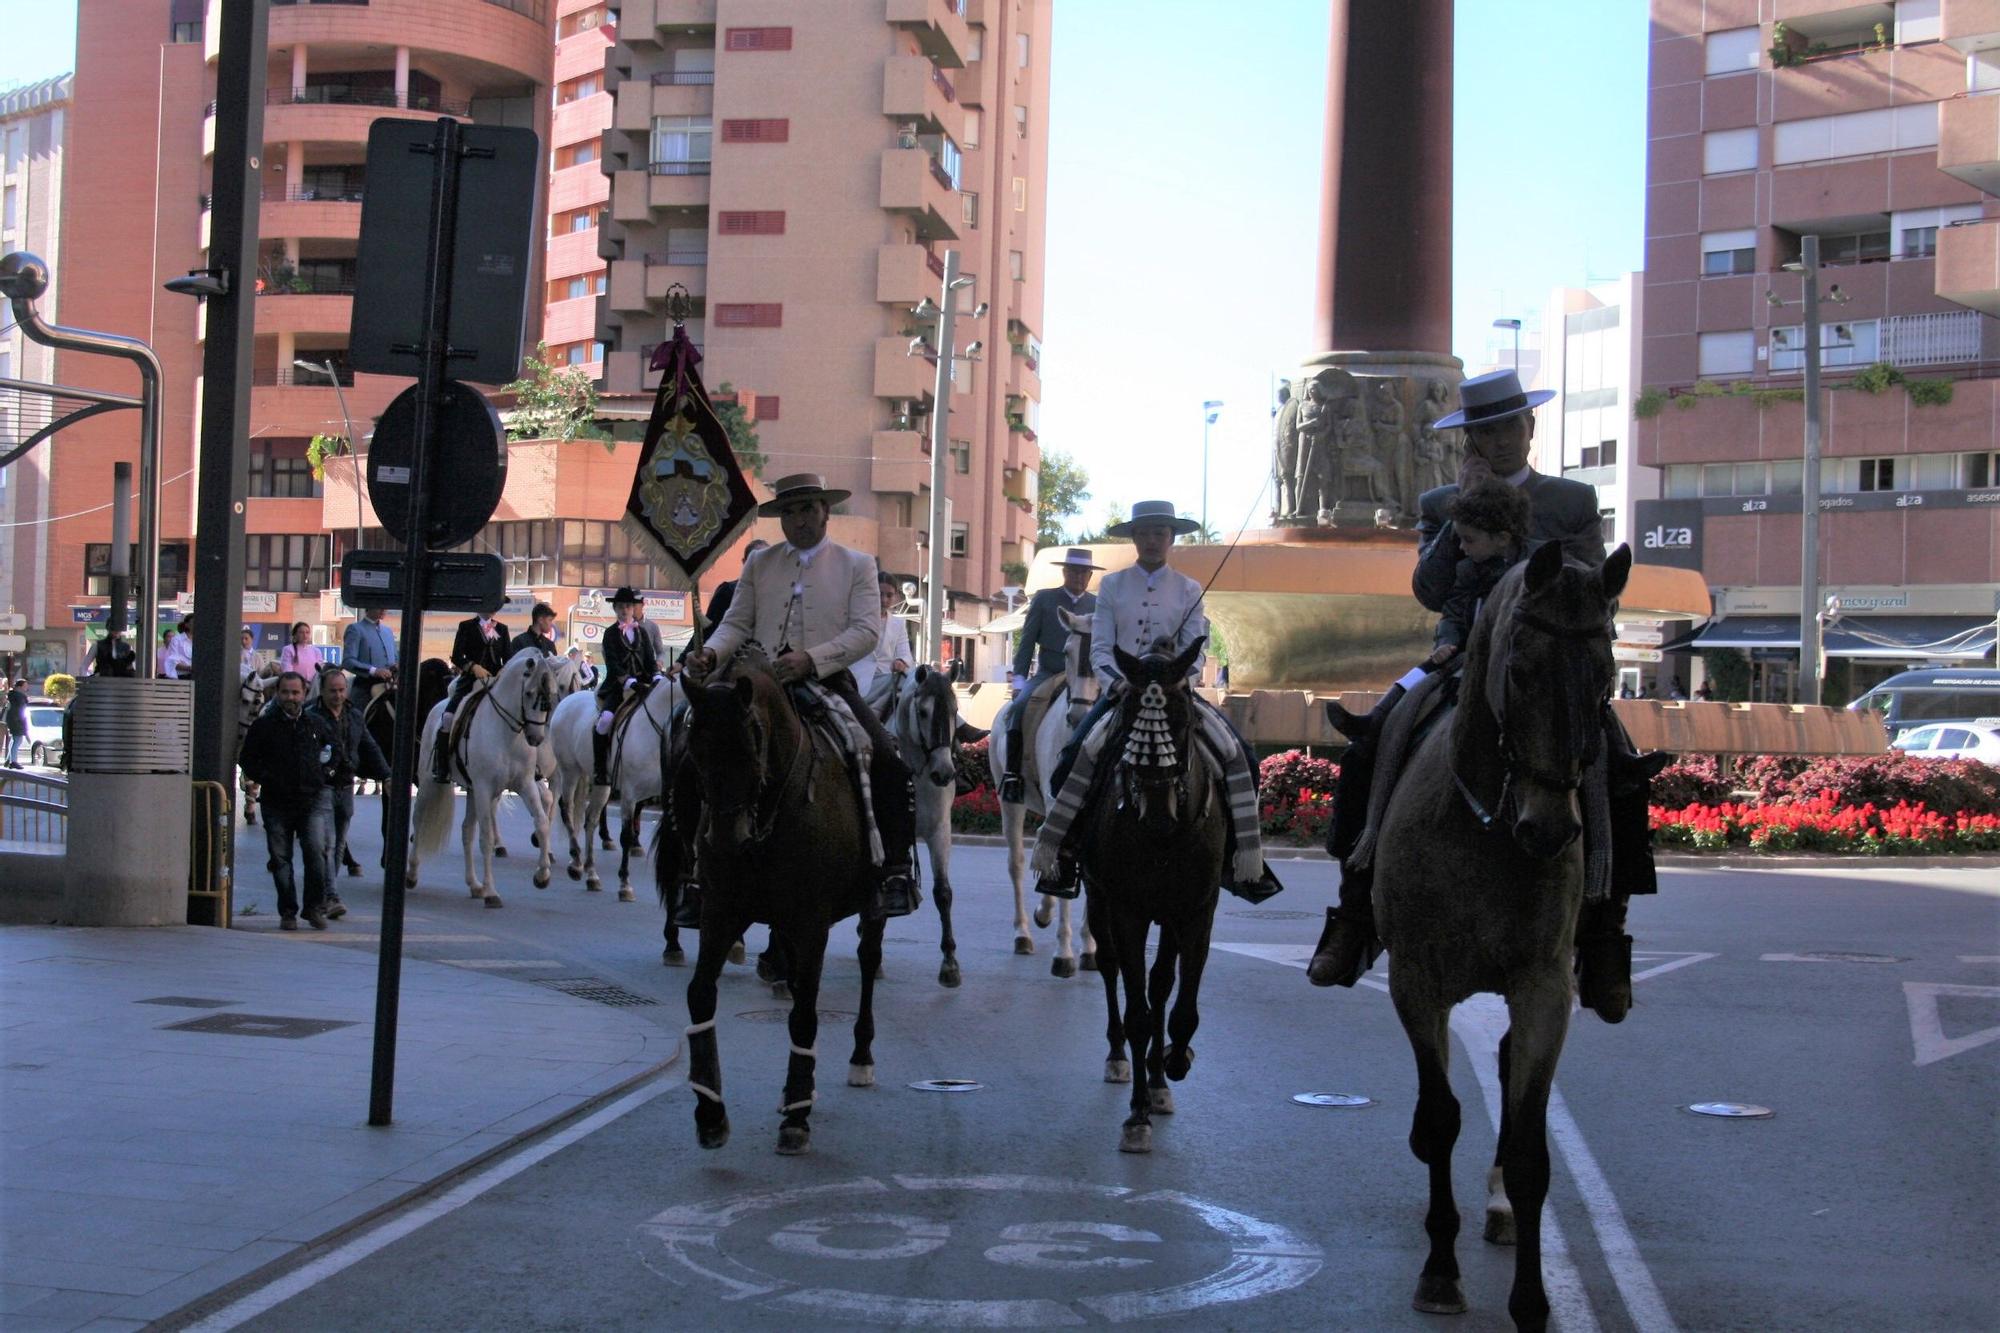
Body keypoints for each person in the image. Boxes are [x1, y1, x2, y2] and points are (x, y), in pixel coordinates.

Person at [1311, 368, 1648, 1023]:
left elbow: (1595, 587)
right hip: (1460, 656)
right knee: (1373, 735)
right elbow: (1431, 589)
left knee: (1619, 761)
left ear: (1530, 426)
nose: (1496, 441)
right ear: (1468, 439)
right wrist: (1462, 512)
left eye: (1506, 426)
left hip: (1547, 666)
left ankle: (1606, 934)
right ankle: (1355, 910)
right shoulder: (1440, 503)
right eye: (1482, 431)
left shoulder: (1572, 501)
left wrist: (1520, 551)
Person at [684, 472, 918, 919]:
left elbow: (867, 632)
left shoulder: (858, 564)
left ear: (826, 511)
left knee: (888, 758)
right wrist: (711, 654)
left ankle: (893, 869)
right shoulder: (760, 563)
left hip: (826, 681)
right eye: (790, 511)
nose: (799, 519)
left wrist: (812, 659)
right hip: (755, 683)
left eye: (808, 508)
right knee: (695, 749)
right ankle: (695, 870)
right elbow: (736, 623)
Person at [1033, 500, 1281, 903]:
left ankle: (1239, 857)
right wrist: (1118, 685)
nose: (1152, 541)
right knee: (1072, 759)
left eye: (1160, 534)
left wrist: (1177, 682)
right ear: (1134, 538)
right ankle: (1067, 854)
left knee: (1242, 758)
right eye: (1145, 533)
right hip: (1123, 696)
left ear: (1171, 539)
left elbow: (1196, 653)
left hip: (1174, 696)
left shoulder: (1189, 589)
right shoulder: (1111, 587)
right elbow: (1099, 648)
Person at [1335, 480, 1531, 745]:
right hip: (1464, 655)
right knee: (1419, 678)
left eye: (1469, 539)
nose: (1461, 548)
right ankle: (1376, 719)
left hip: (1515, 660)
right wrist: (1447, 642)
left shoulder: (1529, 573)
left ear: (1503, 539)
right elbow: (1452, 613)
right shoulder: (1467, 569)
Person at [237, 671, 340, 930]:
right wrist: (268, 778)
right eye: (285, 692)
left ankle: (314, 908)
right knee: (280, 859)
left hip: (311, 801)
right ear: (278, 693)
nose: (290, 698)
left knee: (316, 854)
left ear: (304, 694)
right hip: (276, 803)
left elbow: (335, 752)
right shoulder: (264, 725)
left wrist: (324, 774)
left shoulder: (316, 724)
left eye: (295, 693)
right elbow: (247, 759)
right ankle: (288, 911)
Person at [997, 547, 1099, 802]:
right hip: (1049, 671)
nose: (1078, 576)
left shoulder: (1097, 604)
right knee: (1018, 709)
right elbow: (1027, 641)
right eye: (1074, 571)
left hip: (1086, 677)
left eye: (1083, 572)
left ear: (1089, 576)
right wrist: (1019, 680)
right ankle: (1012, 774)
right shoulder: (1044, 599)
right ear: (1065, 572)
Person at [310, 668, 389, 896]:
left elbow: (370, 745)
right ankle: (331, 894)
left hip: (345, 786)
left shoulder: (354, 716)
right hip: (322, 786)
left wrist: (386, 774)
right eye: (332, 691)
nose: (338, 695)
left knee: (339, 842)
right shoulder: (311, 717)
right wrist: (373, 670)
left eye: (342, 690)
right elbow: (351, 660)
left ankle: (327, 888)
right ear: (322, 691)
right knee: (329, 841)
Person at [433, 599, 512, 783]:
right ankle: (442, 765)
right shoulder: (466, 626)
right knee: (448, 718)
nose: (492, 609)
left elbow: (508, 657)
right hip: (470, 680)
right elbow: (457, 656)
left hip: (495, 681)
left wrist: (503, 670)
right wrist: (473, 667)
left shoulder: (502, 629)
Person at [592, 587, 660, 787]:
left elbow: (650, 658)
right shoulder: (610, 633)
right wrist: (628, 681)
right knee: (605, 720)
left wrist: (655, 676)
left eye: (628, 606)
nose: (625, 610)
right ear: (615, 609)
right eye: (620, 607)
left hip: (643, 685)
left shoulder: (643, 632)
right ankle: (601, 769)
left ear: (634, 609)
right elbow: (612, 663)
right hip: (618, 687)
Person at [859, 571, 914, 714]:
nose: (884, 599)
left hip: (886, 679)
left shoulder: (898, 623)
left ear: (895, 596)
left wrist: (901, 661)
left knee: (922, 687)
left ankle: (960, 725)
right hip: (858, 679)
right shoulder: (857, 618)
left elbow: (905, 654)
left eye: (889, 595)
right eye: (879, 594)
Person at [341, 605, 397, 686]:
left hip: (388, 688)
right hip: (365, 688)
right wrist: (374, 671)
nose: (384, 609)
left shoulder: (388, 631)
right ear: (369, 607)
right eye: (379, 605)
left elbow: (395, 659)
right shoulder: (355, 629)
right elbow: (348, 661)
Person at [3, 678, 27, 769]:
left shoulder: (13, 695)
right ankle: (13, 761)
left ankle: (9, 760)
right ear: (19, 687)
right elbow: (19, 710)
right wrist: (20, 721)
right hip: (16, 720)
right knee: (17, 740)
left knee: (15, 740)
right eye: (25, 686)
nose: (26, 688)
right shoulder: (18, 696)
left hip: (13, 720)